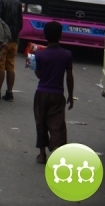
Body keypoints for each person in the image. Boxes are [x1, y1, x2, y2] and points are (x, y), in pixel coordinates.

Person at [33, 21, 74, 165]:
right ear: (60, 36)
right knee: (57, 125)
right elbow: (69, 77)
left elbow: (39, 75)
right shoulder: (67, 55)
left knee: (41, 123)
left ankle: (42, 155)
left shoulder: (39, 55)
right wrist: (71, 95)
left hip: (41, 93)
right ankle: (57, 154)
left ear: (45, 36)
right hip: (57, 94)